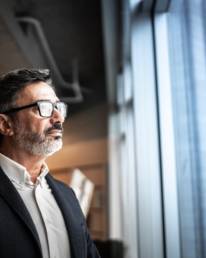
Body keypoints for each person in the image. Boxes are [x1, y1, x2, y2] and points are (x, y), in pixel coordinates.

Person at [0, 68, 101, 258]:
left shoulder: (68, 195)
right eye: (43, 107)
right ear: (6, 125)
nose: (59, 118)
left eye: (58, 107)